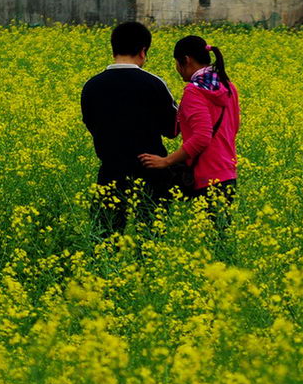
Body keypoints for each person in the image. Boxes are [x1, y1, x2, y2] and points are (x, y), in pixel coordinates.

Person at [80, 21, 178, 236]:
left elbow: (91, 124)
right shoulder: (154, 84)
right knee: (151, 240)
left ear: (113, 48)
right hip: (152, 171)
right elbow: (173, 129)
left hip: (110, 171)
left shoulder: (92, 86)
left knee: (105, 241)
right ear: (143, 51)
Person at [139, 35, 241, 225]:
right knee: (219, 240)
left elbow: (202, 137)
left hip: (205, 176)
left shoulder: (194, 91)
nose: (177, 69)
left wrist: (166, 161)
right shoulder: (228, 86)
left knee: (207, 241)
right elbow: (235, 126)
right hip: (227, 174)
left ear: (186, 60)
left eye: (177, 63)